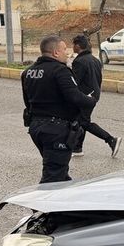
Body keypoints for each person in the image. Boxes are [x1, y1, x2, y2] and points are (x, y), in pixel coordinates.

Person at [21, 35, 96, 183]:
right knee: (53, 176)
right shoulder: (60, 71)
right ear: (55, 52)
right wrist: (90, 100)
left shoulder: (28, 72)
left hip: (37, 127)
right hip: (56, 130)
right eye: (64, 50)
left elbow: (27, 102)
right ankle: (40, 204)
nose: (67, 54)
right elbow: (75, 97)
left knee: (60, 171)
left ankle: (67, 202)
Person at [70, 35, 122, 158]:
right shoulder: (95, 60)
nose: (72, 47)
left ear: (78, 45)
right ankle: (77, 148)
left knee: (83, 122)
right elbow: (99, 79)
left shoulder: (79, 61)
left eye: (73, 44)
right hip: (94, 95)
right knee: (81, 121)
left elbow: (75, 81)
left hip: (84, 97)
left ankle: (111, 140)